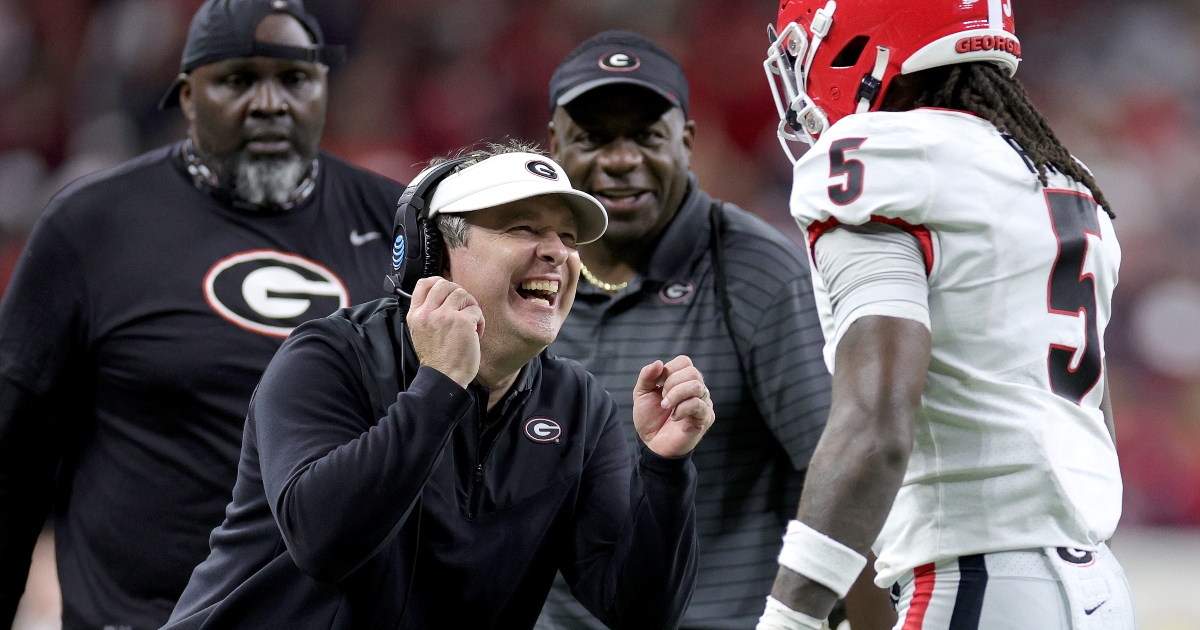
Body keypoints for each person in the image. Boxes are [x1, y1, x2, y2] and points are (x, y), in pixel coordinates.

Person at [163, 142, 714, 629]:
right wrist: (440, 386)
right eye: (523, 228)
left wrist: (665, 470)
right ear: (431, 254)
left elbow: (640, 613)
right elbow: (323, 542)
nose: (557, 253)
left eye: (568, 237)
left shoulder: (578, 405)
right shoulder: (327, 357)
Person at [0, 1, 405, 628]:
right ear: (188, 96)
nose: (270, 103)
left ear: (325, 87)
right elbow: (12, 458)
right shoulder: (91, 227)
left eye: (295, 79)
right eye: (238, 80)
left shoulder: (396, 224)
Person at [756, 2, 1134, 629]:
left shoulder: (883, 156)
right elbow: (1092, 417)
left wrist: (789, 618)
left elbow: (874, 428)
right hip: (1097, 584)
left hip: (977, 576)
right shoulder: (1065, 178)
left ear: (861, 42)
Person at [535, 30, 894, 630]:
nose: (620, 160)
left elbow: (846, 477)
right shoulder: (531, 279)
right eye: (594, 138)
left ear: (688, 142)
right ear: (554, 146)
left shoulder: (753, 274)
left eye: (647, 136)